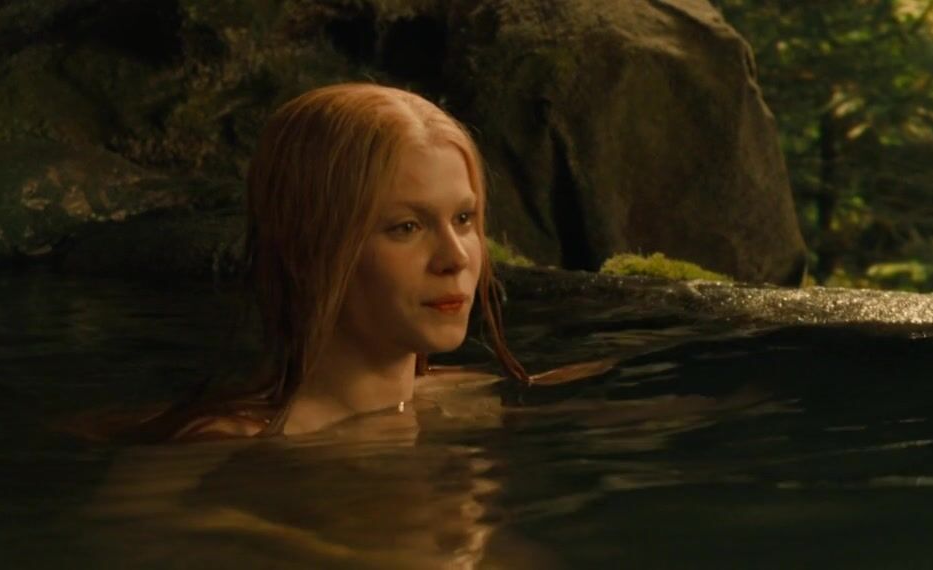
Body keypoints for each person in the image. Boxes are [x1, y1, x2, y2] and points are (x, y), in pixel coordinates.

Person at [110, 82, 611, 443]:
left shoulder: (472, 396)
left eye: (463, 218)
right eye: (406, 227)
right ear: (311, 244)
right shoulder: (227, 445)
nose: (455, 257)